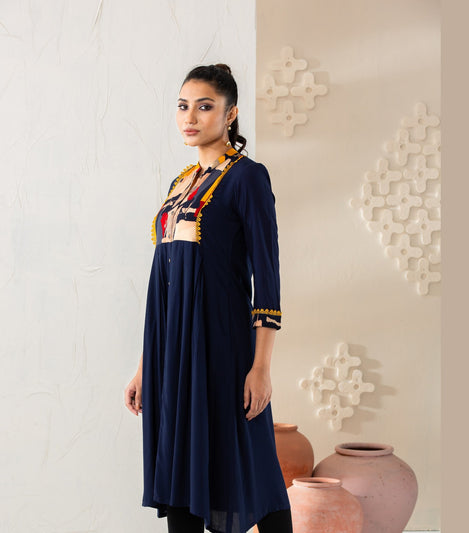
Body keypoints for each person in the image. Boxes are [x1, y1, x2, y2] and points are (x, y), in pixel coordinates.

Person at [124, 63, 293, 533]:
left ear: (230, 113)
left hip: (221, 348)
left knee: (251, 465)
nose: (190, 117)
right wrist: (144, 368)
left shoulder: (247, 178)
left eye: (204, 107)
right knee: (179, 471)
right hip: (169, 354)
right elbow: (165, 283)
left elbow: (267, 281)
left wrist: (261, 368)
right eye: (183, 106)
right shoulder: (181, 183)